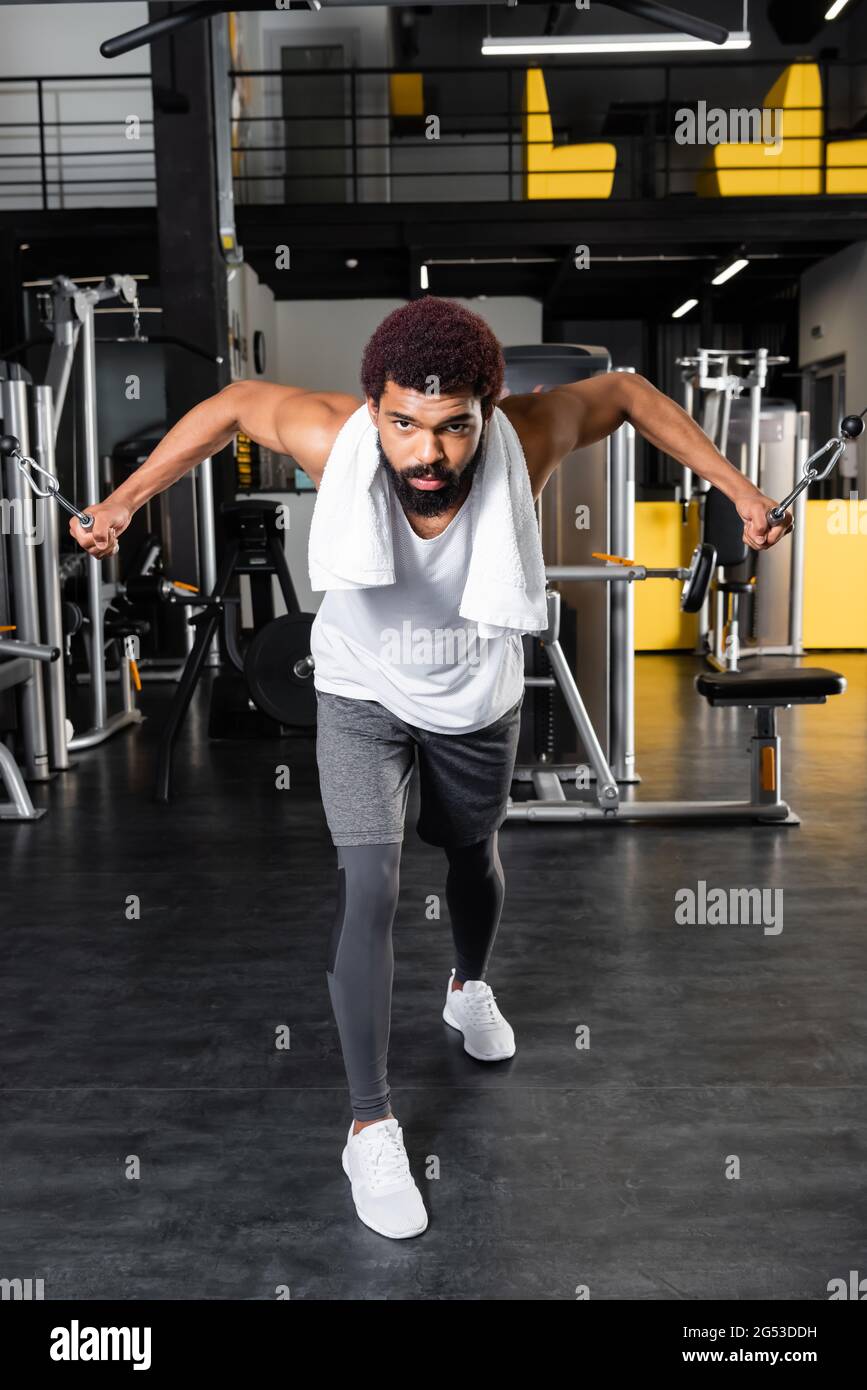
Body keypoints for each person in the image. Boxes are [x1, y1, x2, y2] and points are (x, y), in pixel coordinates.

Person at [70, 296, 792, 1240]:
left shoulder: (527, 440)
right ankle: (369, 1122)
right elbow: (237, 402)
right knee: (368, 883)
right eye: (404, 425)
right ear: (373, 409)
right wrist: (126, 501)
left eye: (454, 429)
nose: (427, 454)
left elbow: (624, 392)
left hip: (474, 697)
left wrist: (736, 491)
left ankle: (466, 986)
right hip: (360, 691)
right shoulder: (335, 438)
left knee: (471, 855)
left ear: (488, 413)